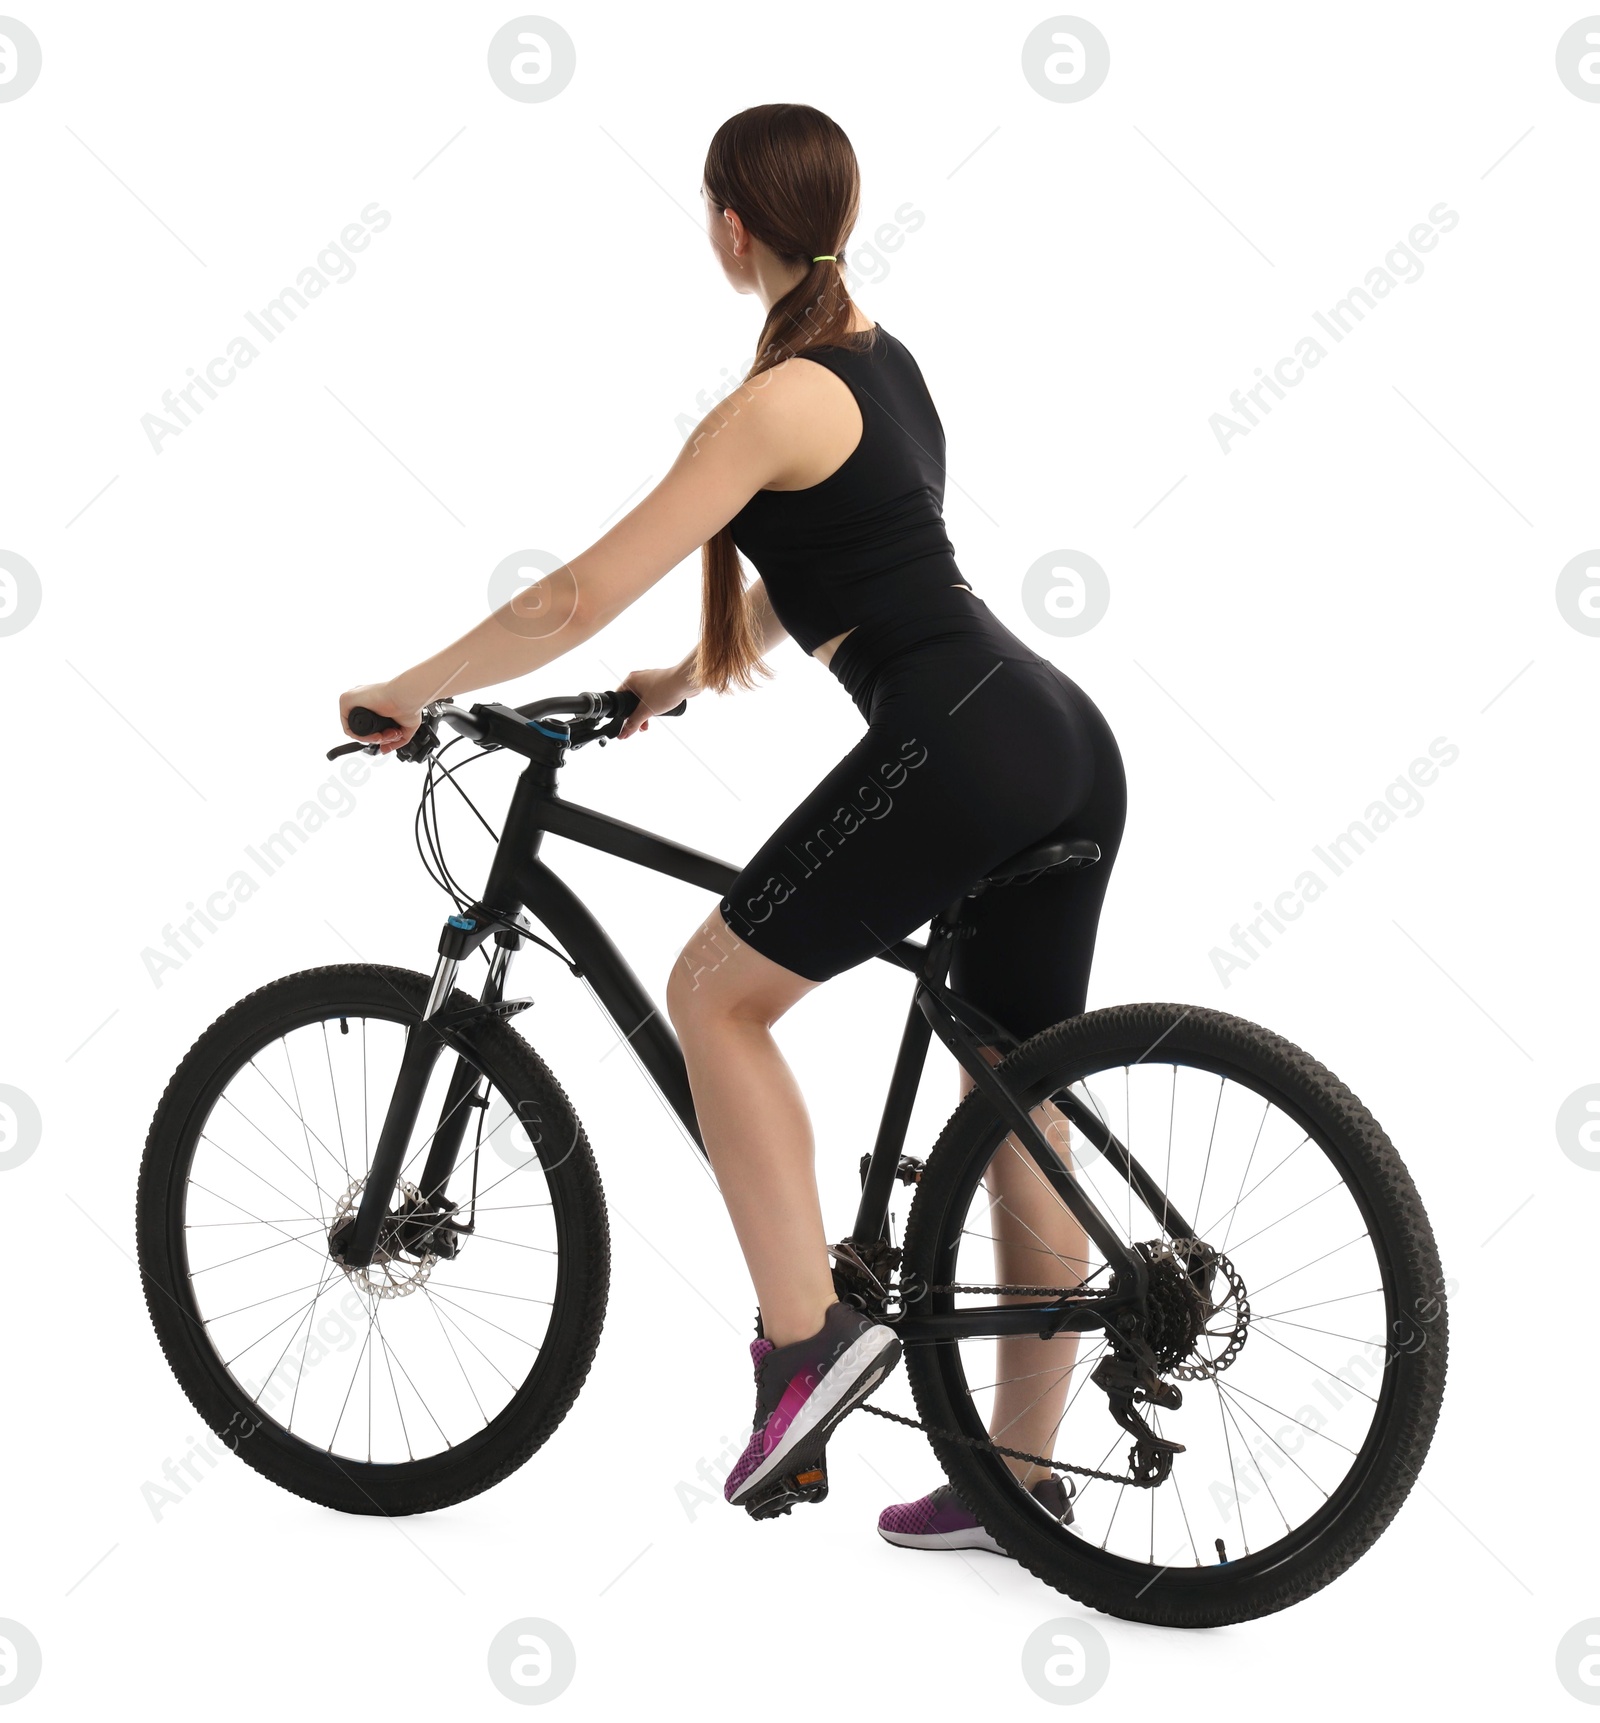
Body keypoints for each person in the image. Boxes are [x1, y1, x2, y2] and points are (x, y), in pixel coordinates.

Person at [339, 103, 1126, 1548]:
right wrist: (680, 679)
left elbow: (569, 593)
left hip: (957, 740)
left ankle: (804, 1349)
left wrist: (413, 686)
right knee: (1017, 1090)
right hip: (1058, 737)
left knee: (714, 991)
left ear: (729, 227)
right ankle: (1018, 1480)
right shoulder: (880, 361)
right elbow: (853, 561)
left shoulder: (770, 402)